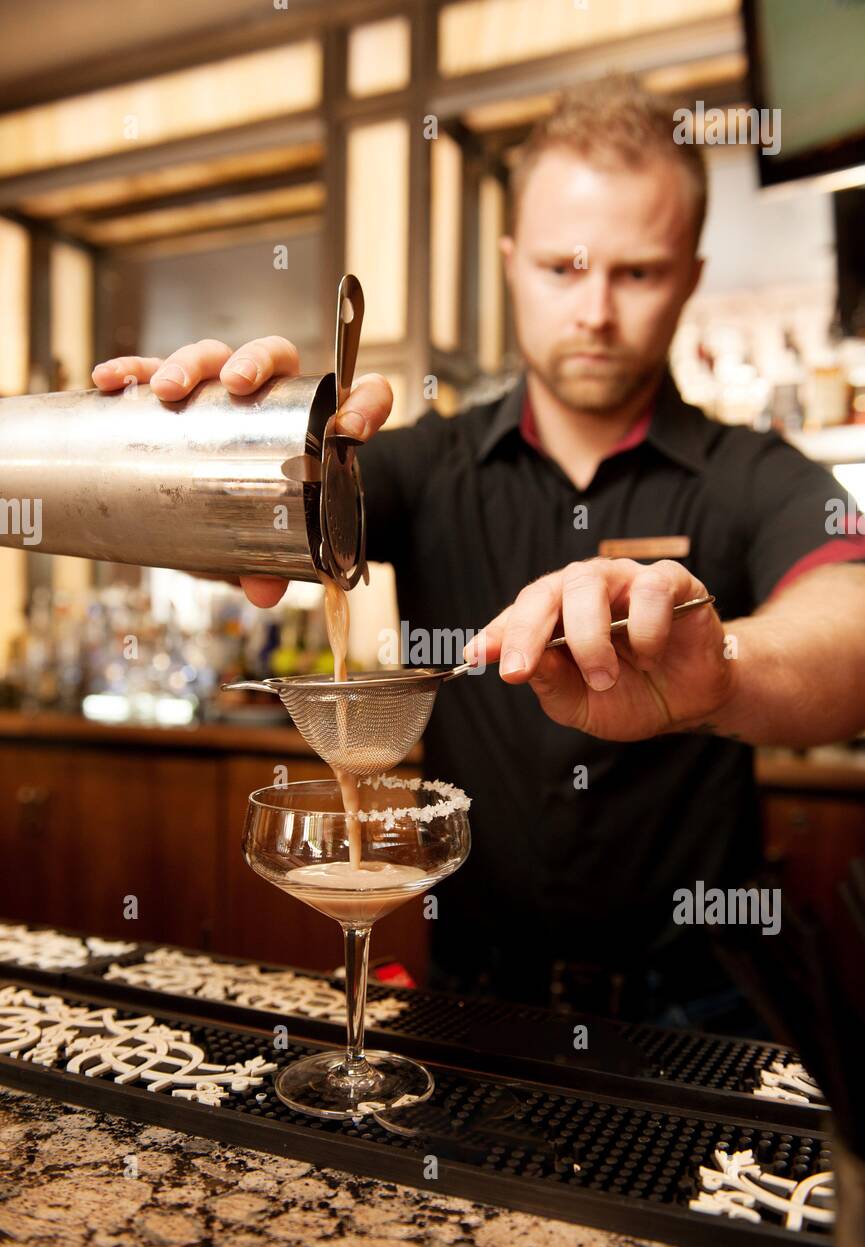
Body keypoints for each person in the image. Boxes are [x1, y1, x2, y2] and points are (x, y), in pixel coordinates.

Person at [92, 76, 865, 1033]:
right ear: (509, 262)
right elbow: (263, 523)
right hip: (473, 991)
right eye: (561, 269)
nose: (593, 311)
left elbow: (851, 621)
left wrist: (726, 670)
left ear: (691, 275)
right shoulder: (430, 465)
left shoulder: (754, 476)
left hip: (697, 1008)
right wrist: (196, 449)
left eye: (637, 272)